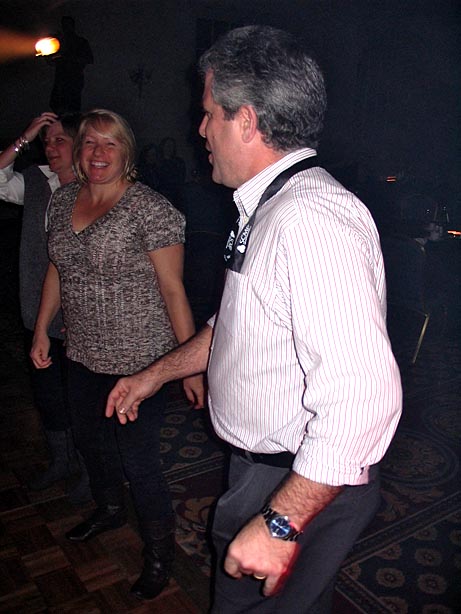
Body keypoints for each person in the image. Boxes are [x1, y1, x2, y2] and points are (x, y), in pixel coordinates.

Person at [105, 26, 402, 613]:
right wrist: (153, 375)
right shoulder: (271, 206)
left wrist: (280, 522)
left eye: (208, 113)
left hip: (298, 483)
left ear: (245, 121)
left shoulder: (310, 221)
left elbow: (364, 396)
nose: (200, 130)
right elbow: (233, 327)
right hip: (265, 474)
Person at [30, 109, 204, 601]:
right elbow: (57, 269)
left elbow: (173, 290)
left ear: (127, 151)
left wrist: (190, 364)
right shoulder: (64, 199)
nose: (99, 152)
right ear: (80, 151)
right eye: (90, 142)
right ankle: (108, 511)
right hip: (81, 351)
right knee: (91, 441)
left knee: (138, 460)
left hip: (140, 361)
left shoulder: (150, 209)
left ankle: (159, 556)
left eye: (110, 143)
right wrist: (42, 328)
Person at [0, 111, 90, 503]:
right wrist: (25, 136)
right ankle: (61, 461)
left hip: (81, 317)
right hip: (37, 309)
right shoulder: (35, 181)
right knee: (48, 394)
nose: (50, 148)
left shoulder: (96, 188)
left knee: (81, 399)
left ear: (79, 144)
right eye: (46, 141)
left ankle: (89, 471)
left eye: (59, 140)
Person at [49, 16, 93, 113]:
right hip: (61, 79)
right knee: (58, 105)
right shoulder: (57, 43)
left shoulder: (81, 42)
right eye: (64, 25)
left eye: (67, 25)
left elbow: (88, 59)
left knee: (72, 107)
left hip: (74, 78)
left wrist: (70, 58)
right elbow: (51, 61)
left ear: (72, 26)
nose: (65, 28)